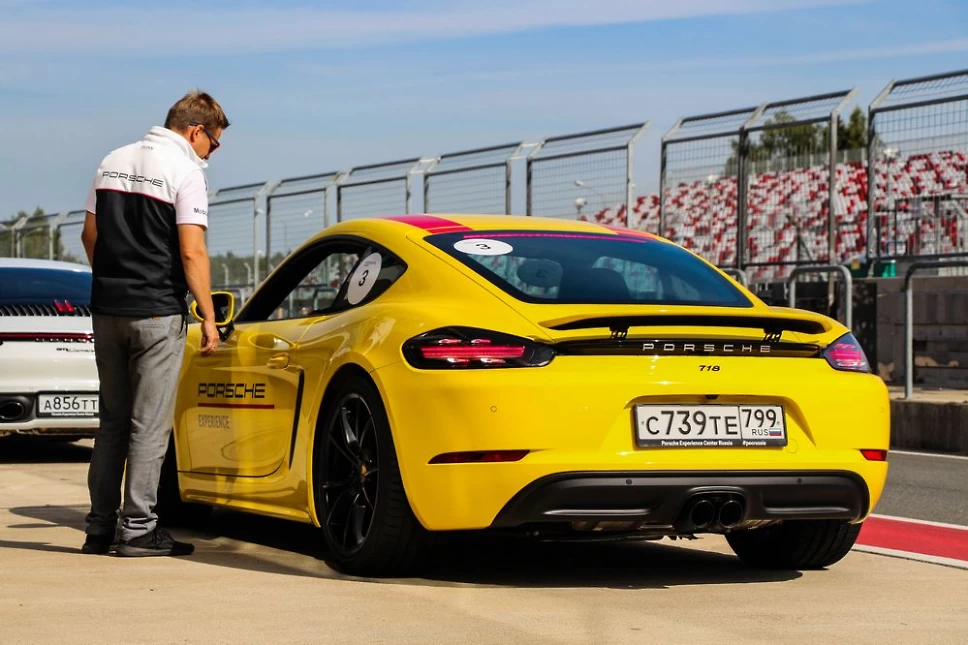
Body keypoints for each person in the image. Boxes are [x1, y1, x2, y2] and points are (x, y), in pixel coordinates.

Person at [80, 90, 229, 557]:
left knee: (111, 423)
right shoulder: (186, 171)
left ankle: (99, 529)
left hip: (107, 309)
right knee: (149, 425)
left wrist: (114, 281)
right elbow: (192, 251)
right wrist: (208, 316)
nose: (212, 153)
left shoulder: (111, 160)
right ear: (196, 131)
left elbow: (89, 234)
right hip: (156, 311)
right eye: (213, 142)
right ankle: (139, 530)